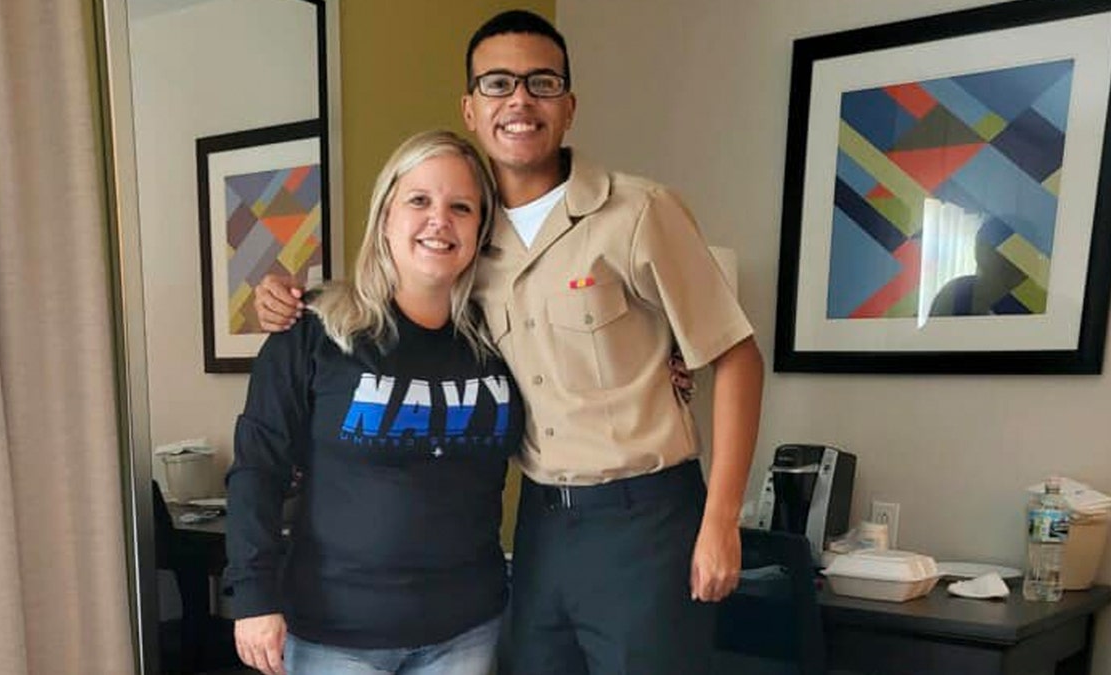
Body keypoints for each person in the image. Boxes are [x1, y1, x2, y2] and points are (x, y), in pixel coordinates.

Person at [254, 10, 764, 674]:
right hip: (541, 524)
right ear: (471, 107)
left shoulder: (638, 213)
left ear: (569, 105)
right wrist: (287, 297)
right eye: (497, 83)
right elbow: (392, 300)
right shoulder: (463, 231)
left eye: (541, 82)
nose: (519, 99)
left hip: (645, 520)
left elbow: (735, 353)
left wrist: (721, 520)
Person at [225, 130, 525, 675]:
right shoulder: (313, 330)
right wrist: (253, 597)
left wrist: (666, 363)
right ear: (385, 216)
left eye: (461, 207)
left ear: (480, 231)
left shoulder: (505, 339)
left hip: (467, 630)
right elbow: (257, 469)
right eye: (419, 200)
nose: (440, 220)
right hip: (333, 636)